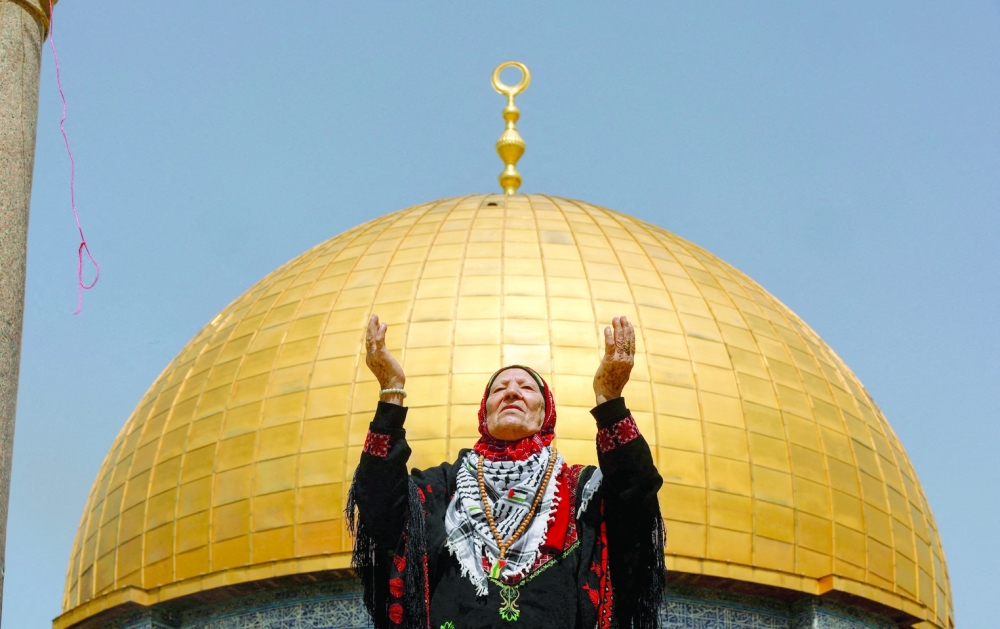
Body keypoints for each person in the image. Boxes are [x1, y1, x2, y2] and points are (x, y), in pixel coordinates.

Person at [348, 313, 665, 629]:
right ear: (484, 413)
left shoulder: (581, 491)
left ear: (545, 413)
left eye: (526, 388)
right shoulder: (440, 488)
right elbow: (377, 500)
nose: (512, 393)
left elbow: (637, 494)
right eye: (500, 389)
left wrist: (610, 400)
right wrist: (391, 393)